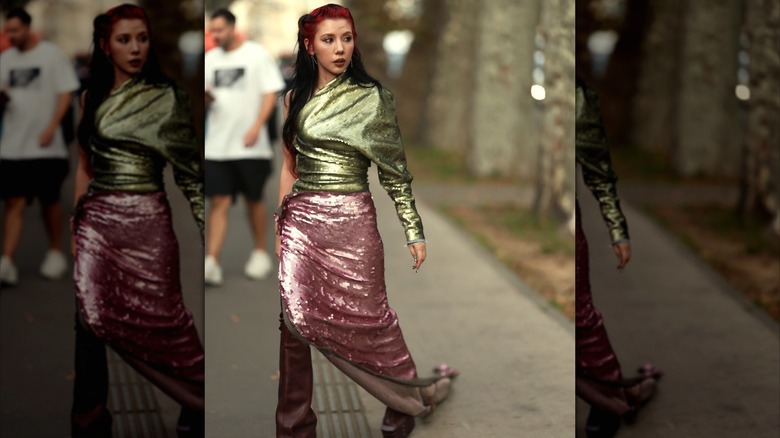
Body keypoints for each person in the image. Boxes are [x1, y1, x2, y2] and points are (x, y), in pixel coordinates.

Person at [275, 5, 457, 438]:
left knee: (371, 321)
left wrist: (413, 229)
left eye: (346, 38)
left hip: (353, 221)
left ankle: (404, 404)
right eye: (328, 40)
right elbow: (289, 166)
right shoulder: (293, 98)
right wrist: (280, 225)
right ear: (309, 46)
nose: (339, 49)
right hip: (302, 221)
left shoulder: (373, 98)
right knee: (293, 320)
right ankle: (295, 426)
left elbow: (394, 172)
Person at [70, 4, 204, 436]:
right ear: (106, 47)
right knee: (90, 316)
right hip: (97, 223)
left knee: (168, 324)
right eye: (124, 40)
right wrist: (76, 226)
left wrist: (209, 239)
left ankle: (196, 403)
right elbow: (84, 166)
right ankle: (90, 422)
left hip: (148, 224)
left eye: (142, 39)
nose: (135, 48)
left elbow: (190, 177)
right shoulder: (89, 97)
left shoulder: (167, 98)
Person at [575, 77, 662, 438]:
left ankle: (606, 400)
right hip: (522, 218)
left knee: (579, 312)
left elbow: (598, 169)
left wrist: (617, 229)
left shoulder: (577, 98)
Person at [203, 8, 285, 286]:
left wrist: (256, 127)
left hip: (251, 146)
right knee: (218, 201)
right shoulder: (210, 60)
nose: (215, 35)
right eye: (211, 30)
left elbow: (270, 94)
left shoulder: (256, 54)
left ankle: (260, 252)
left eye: (219, 30)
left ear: (232, 28)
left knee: (254, 200)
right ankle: (211, 261)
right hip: (217, 145)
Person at [0, 7, 79, 286]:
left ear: (28, 28)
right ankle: (7, 261)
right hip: (12, 146)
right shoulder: (5, 59)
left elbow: (66, 93)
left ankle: (55, 252)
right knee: (13, 201)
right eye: (7, 30)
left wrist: (51, 126)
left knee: (49, 202)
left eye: (15, 30)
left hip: (47, 146)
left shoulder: (51, 55)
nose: (10, 36)